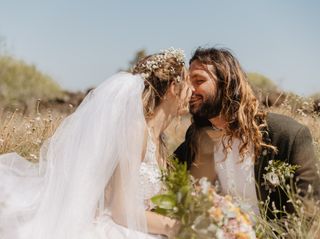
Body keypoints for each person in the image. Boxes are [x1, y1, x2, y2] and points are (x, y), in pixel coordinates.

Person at [0, 48, 191, 239]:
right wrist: (176, 227)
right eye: (189, 84)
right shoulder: (136, 131)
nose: (192, 92)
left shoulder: (159, 139)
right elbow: (122, 212)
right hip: (116, 226)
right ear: (174, 88)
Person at [174, 47, 320, 218]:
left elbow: (308, 208)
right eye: (187, 82)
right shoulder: (197, 136)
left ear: (226, 83)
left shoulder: (288, 135)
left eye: (199, 81)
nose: (189, 89)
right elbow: (163, 174)